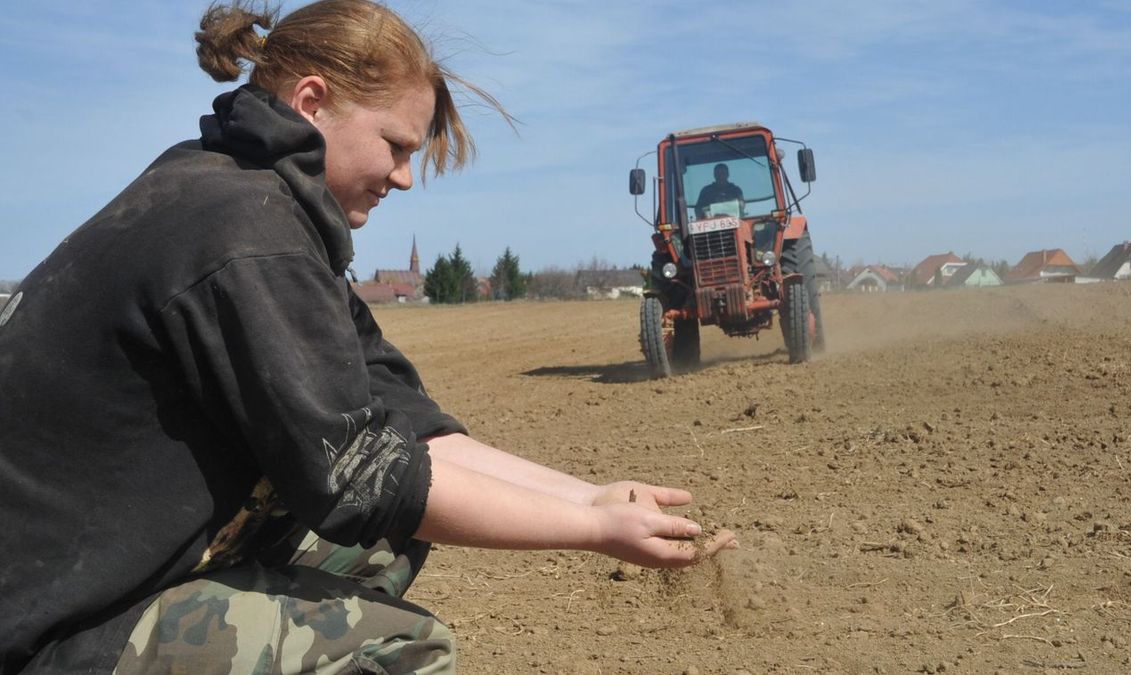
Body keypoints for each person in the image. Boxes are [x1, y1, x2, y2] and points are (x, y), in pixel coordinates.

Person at [0, 1, 736, 672]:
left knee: (378, 542)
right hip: (49, 621)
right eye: (395, 144)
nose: (406, 177)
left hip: (98, 572)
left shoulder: (252, 205)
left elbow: (407, 428)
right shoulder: (243, 231)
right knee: (400, 647)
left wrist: (595, 499)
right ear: (313, 102)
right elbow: (361, 473)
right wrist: (587, 530)